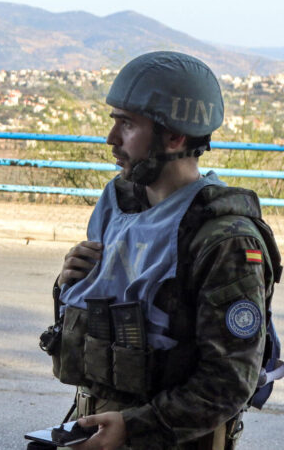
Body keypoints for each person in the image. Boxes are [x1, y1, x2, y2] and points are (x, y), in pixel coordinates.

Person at [41, 51, 281, 450]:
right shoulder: (121, 205)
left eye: (128, 124)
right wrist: (70, 283)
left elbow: (228, 383)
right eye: (114, 120)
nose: (111, 139)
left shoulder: (224, 239)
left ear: (175, 137)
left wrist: (134, 427)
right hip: (96, 424)